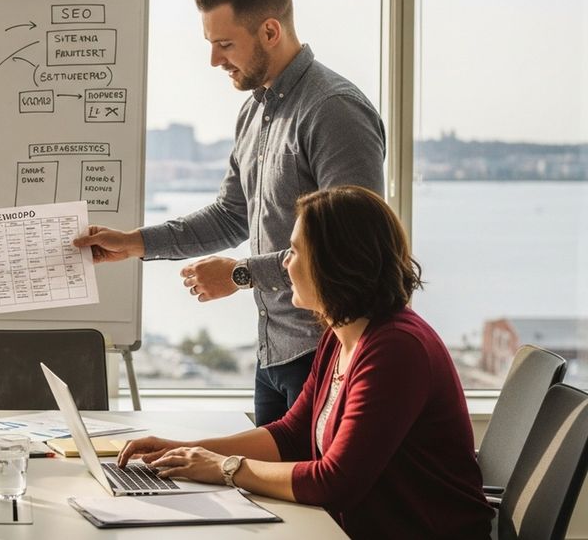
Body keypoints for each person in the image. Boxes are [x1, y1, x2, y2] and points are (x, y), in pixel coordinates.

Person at [73, 0, 386, 425]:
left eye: (224, 44)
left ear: (270, 31)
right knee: (264, 492)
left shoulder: (333, 111)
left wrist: (240, 275)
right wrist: (133, 243)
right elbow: (230, 216)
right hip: (273, 353)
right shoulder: (253, 114)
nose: (214, 60)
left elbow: (350, 251)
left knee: (311, 495)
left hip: (326, 355)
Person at [117, 186, 493, 539]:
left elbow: (334, 482)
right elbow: (291, 435)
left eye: (294, 251)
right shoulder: (340, 334)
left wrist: (224, 468)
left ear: (334, 263)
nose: (285, 263)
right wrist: (184, 451)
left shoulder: (396, 350)